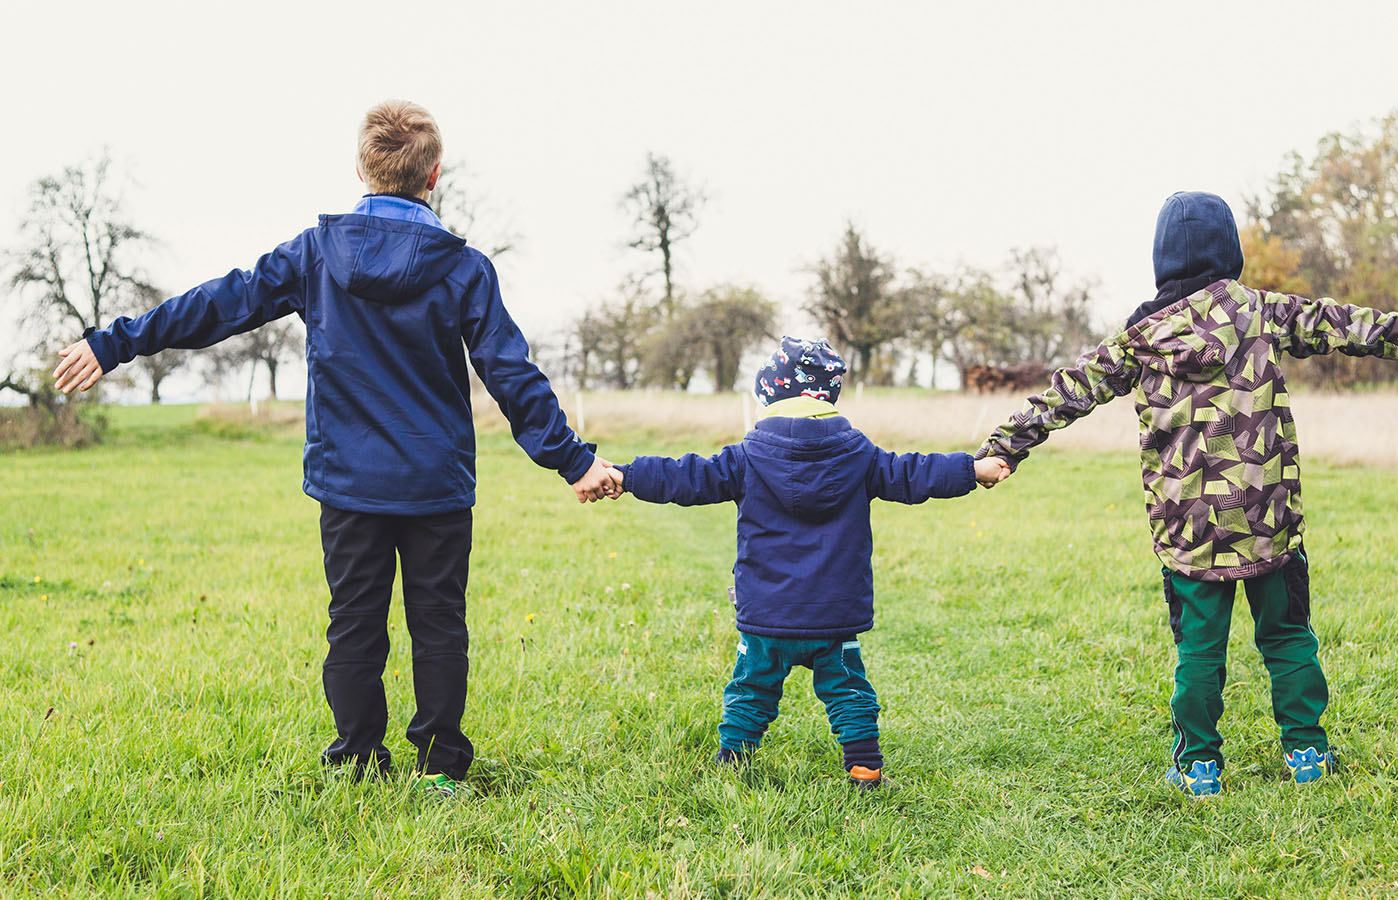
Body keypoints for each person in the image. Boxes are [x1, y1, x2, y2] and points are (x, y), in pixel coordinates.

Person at [51, 99, 620, 796]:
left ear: (360, 168)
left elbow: (220, 304)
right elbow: (510, 373)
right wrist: (574, 460)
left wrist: (116, 342)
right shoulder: (464, 268)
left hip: (349, 484)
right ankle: (440, 768)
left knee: (353, 626)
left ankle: (357, 760)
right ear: (434, 174)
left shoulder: (317, 254)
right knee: (439, 626)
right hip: (435, 484)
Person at [976, 191, 1398, 797]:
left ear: (1162, 258)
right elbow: (1348, 324)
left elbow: (1066, 392)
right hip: (1267, 518)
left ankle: (1198, 767)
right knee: (1288, 638)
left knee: (1199, 653)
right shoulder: (1261, 313)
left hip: (1190, 530)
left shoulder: (1139, 338)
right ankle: (1307, 753)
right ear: (1230, 250)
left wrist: (1004, 448)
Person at [606, 337, 1009, 789]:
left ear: (769, 396)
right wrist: (973, 469)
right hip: (833, 614)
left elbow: (685, 476)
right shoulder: (860, 455)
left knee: (751, 688)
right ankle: (864, 768)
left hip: (767, 613)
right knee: (848, 690)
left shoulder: (745, 457)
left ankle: (732, 761)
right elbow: (914, 472)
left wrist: (626, 474)